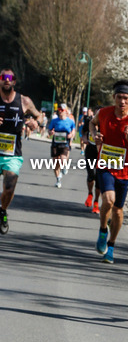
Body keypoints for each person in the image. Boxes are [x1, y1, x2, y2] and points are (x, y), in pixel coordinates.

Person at [90, 81, 128, 264]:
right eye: (119, 97)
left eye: (126, 98)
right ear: (113, 97)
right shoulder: (103, 113)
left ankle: (111, 245)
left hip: (124, 171)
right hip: (105, 165)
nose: (122, 101)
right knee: (108, 199)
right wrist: (94, 135)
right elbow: (92, 123)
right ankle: (103, 230)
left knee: (118, 211)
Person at [0, 69, 40, 233]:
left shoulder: (24, 101)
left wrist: (35, 123)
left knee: (9, 188)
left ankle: (2, 211)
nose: (7, 80)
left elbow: (39, 116)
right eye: (3, 77)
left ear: (14, 81)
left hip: (12, 154)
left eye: (10, 78)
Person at [48, 103, 76, 186]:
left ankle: (64, 167)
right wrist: (51, 132)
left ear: (65, 111)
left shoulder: (70, 121)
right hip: (55, 142)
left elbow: (73, 131)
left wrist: (71, 135)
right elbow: (49, 130)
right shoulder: (54, 121)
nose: (60, 111)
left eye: (62, 110)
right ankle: (58, 179)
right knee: (55, 162)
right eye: (59, 109)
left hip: (65, 142)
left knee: (63, 159)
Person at [79, 106, 100, 211]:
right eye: (95, 114)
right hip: (90, 150)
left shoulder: (105, 123)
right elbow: (83, 132)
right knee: (91, 174)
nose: (97, 116)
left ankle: (96, 201)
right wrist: (84, 138)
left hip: (101, 153)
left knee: (99, 178)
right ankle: (90, 194)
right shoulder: (89, 121)